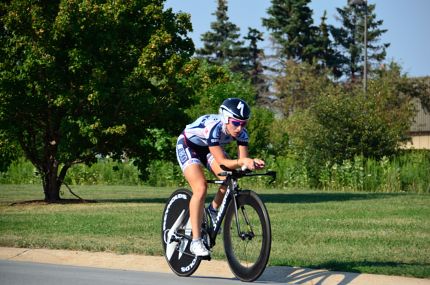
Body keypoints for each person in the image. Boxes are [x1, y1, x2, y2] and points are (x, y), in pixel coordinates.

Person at [175, 98, 265, 257]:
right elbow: (223, 161)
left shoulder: (242, 133)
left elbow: (240, 164)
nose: (239, 128)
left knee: (228, 177)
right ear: (225, 118)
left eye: (243, 123)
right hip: (188, 145)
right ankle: (196, 241)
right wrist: (242, 161)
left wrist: (250, 163)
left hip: (208, 148)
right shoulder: (214, 128)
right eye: (236, 123)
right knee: (201, 187)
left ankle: (213, 210)